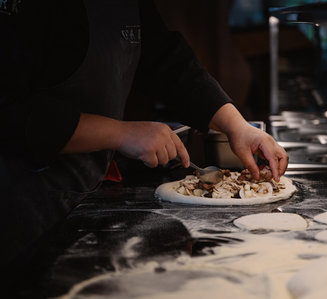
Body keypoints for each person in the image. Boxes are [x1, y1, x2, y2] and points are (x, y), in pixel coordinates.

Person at [0, 0, 288, 275]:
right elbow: (11, 111)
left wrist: (237, 126)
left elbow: (169, 63)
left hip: (83, 197)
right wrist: (121, 133)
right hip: (23, 208)